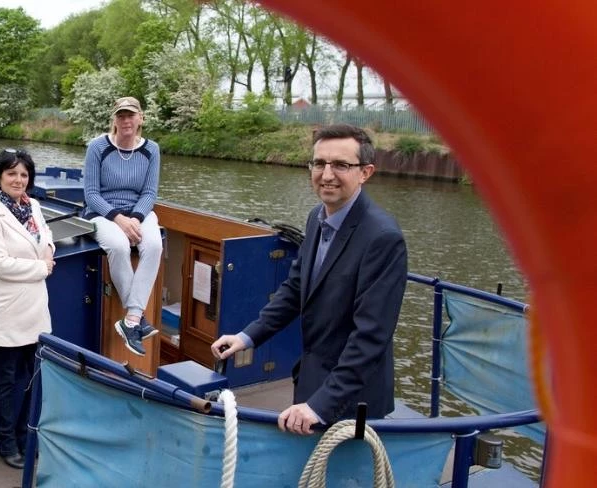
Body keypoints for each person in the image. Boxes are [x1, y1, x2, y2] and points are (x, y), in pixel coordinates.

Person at [210, 124, 408, 434]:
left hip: (351, 400)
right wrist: (247, 337)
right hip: (311, 381)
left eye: (341, 165)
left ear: (365, 172)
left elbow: (370, 336)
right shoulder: (317, 216)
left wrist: (320, 404)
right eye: (319, 163)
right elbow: (295, 289)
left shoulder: (382, 238)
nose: (327, 174)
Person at [0, 148, 55, 469]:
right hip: (5, 311)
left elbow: (45, 236)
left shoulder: (33, 206)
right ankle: (6, 443)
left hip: (34, 309)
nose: (19, 180)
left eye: (24, 174)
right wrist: (42, 268)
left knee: (32, 378)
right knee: (5, 381)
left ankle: (25, 435)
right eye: (12, 174)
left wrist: (47, 250)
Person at [83, 96, 163, 357]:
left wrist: (136, 219)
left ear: (141, 118)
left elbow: (150, 193)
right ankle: (137, 320)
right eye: (121, 115)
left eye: (131, 115)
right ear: (114, 120)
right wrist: (119, 219)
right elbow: (92, 194)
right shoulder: (97, 147)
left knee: (153, 244)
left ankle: (131, 319)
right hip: (103, 213)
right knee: (118, 245)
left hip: (140, 212)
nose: (126, 120)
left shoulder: (152, 150)